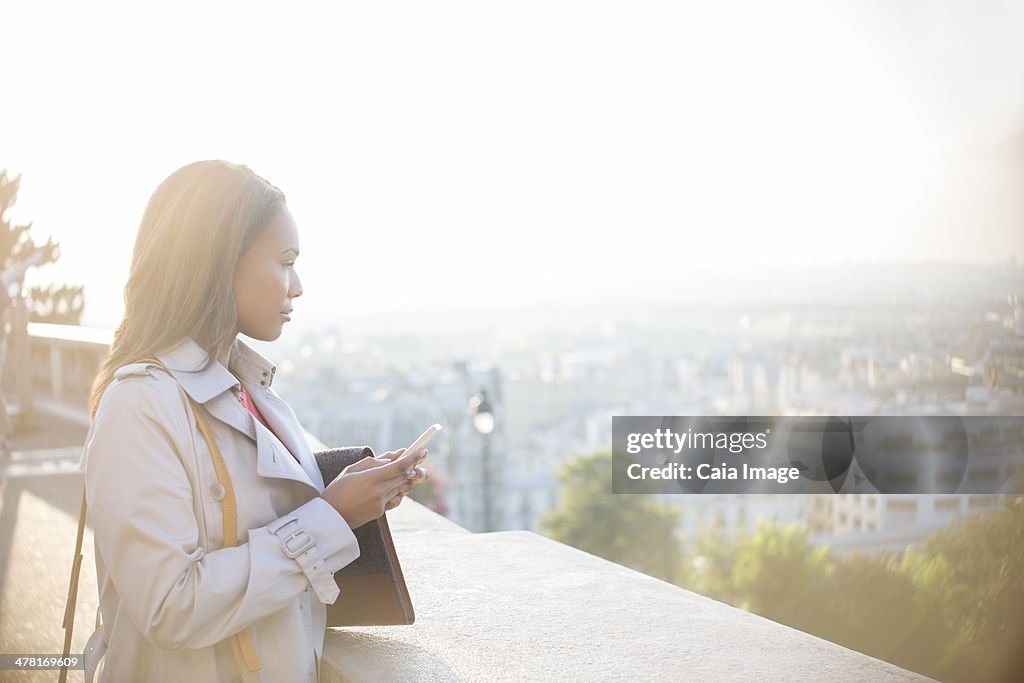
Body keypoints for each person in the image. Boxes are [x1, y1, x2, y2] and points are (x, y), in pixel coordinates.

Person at [80, 160, 428, 682]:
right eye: (285, 261)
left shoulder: (251, 390)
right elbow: (171, 606)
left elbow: (261, 525)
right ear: (218, 263)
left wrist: (353, 499)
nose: (298, 286)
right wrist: (330, 516)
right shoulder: (139, 405)